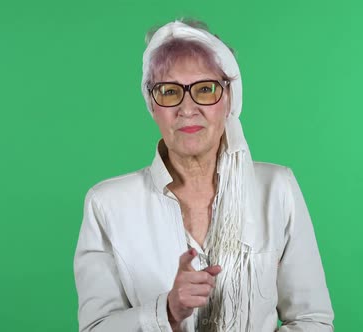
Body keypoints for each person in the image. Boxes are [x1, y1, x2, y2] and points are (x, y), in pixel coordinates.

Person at [73, 19, 334, 332]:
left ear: (229, 99)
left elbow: (311, 320)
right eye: (169, 92)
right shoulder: (107, 204)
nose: (187, 107)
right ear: (153, 107)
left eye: (205, 89)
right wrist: (166, 312)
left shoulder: (277, 189)